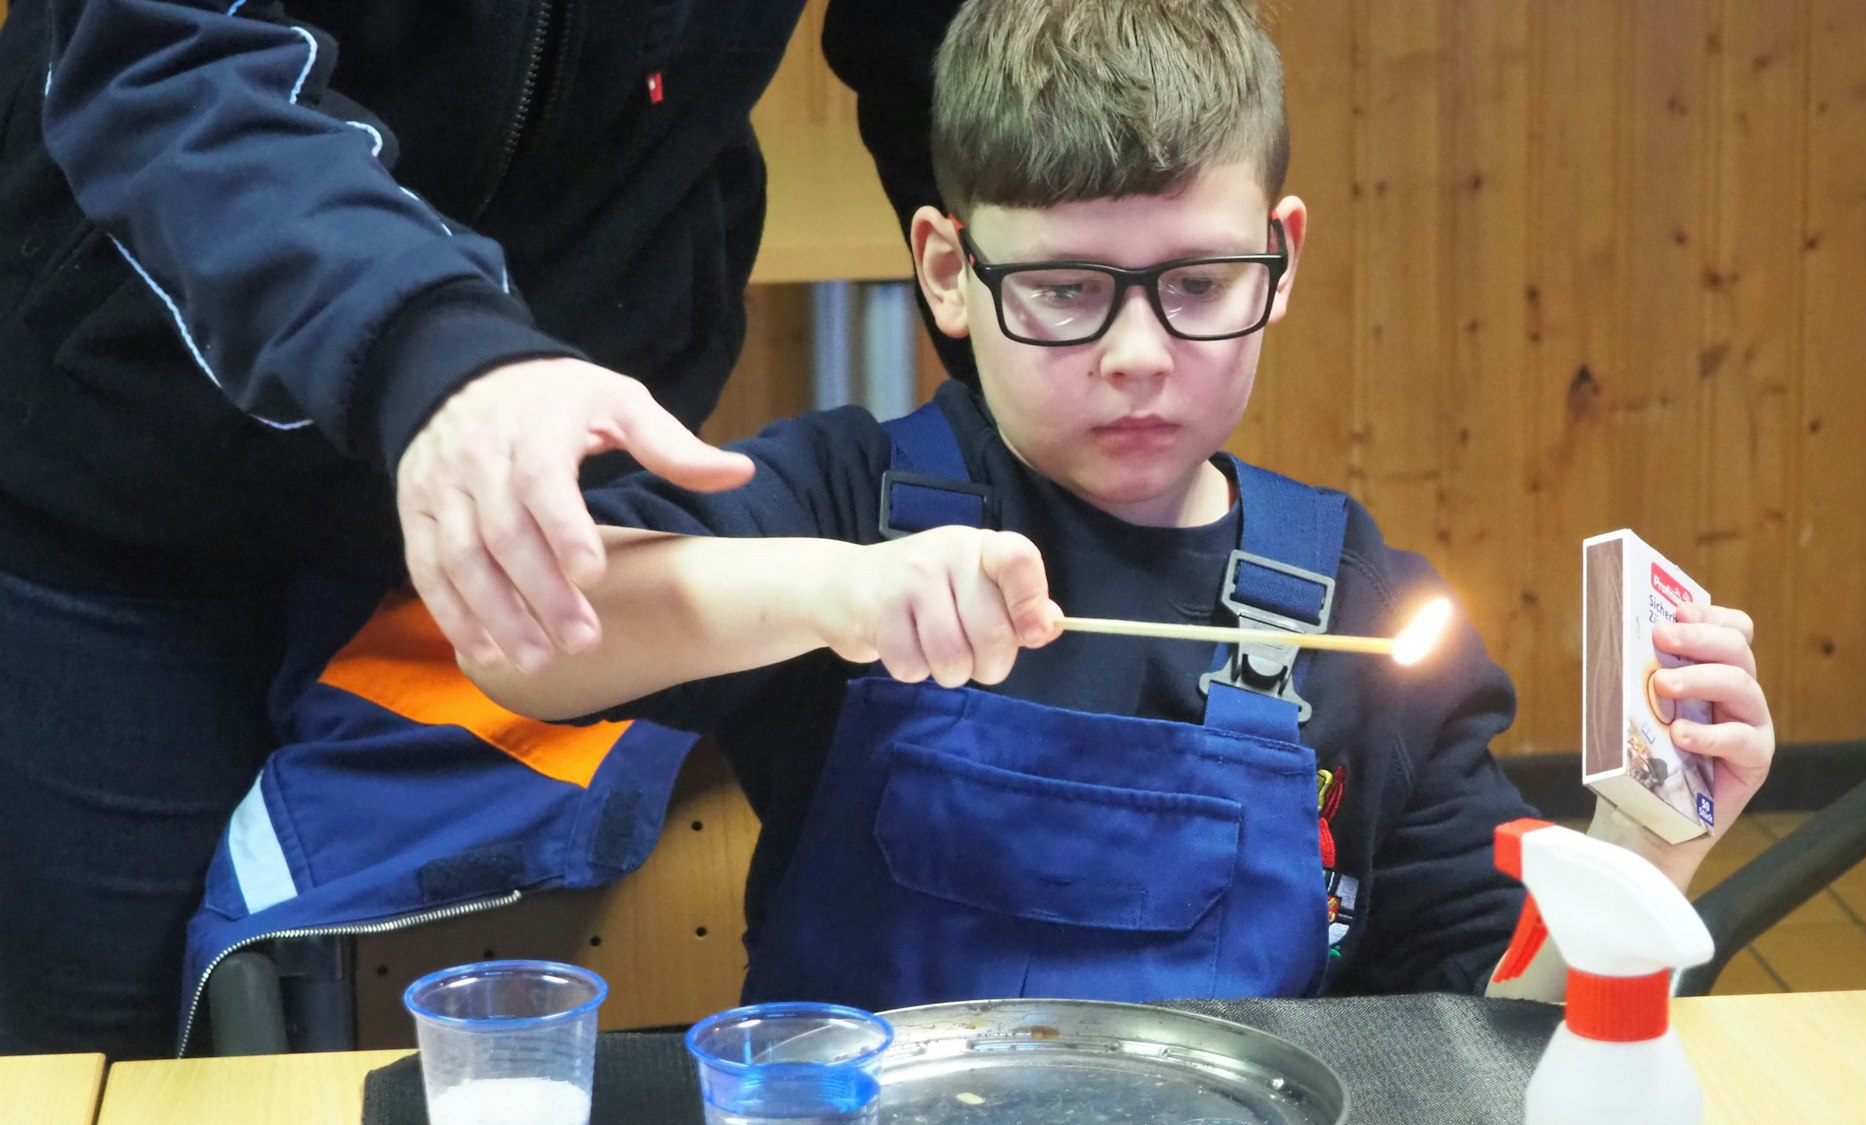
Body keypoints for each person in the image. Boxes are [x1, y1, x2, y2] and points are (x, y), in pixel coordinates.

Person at [466, 0, 1777, 1009]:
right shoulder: (846, 500)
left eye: (1200, 284)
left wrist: (1647, 847)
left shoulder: (1361, 605)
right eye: (1065, 291)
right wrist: (834, 589)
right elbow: (531, 634)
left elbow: (1496, 1044)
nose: (1138, 354)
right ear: (947, 271)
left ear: (1285, 253)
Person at [0, 0, 963, 1059]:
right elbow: (170, 57)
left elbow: (941, 52)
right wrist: (435, 353)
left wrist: (1082, 378)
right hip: (122, 463)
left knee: (443, 1030)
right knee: (115, 1055)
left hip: (558, 494)